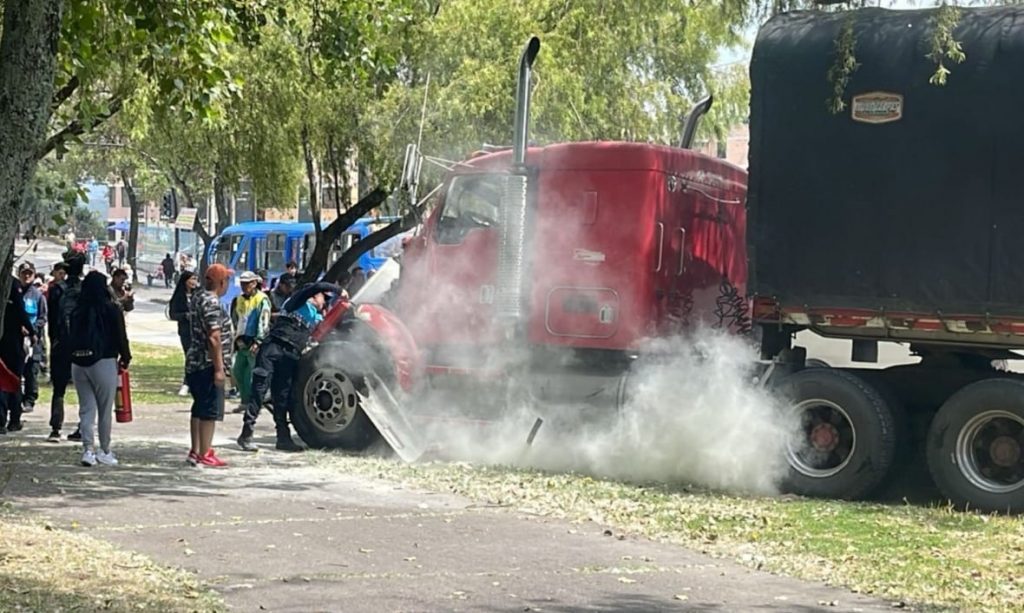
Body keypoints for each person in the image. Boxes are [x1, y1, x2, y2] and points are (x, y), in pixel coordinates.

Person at [237, 282, 338, 453]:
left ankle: (283, 437)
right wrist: (339, 290)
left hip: (291, 354)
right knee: (259, 389)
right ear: (315, 296)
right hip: (273, 347)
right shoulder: (297, 302)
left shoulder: (316, 317)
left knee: (283, 396)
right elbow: (311, 287)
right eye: (323, 297)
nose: (325, 302)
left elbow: (332, 327)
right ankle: (246, 433)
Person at [68, 271, 131, 466]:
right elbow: (121, 336)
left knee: (86, 409)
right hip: (104, 361)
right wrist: (125, 357)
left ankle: (88, 450)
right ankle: (104, 450)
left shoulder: (77, 310)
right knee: (105, 409)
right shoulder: (111, 309)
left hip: (78, 363)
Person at [185, 263, 234, 468]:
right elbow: (214, 337)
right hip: (206, 363)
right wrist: (219, 368)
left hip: (194, 360)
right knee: (208, 410)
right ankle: (205, 451)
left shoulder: (197, 298)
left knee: (199, 407)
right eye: (227, 281)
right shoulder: (211, 302)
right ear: (220, 282)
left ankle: (196, 450)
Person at [47, 253, 86, 443]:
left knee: (59, 388)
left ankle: (56, 428)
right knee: (84, 389)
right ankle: (82, 426)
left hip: (61, 343)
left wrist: (53, 340)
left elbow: (52, 321)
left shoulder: (57, 290)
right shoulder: (85, 290)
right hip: (80, 344)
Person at [229, 271, 271, 414]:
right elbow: (237, 319)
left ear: (254, 283)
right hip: (242, 342)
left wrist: (259, 341)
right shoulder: (239, 299)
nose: (244, 286)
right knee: (239, 371)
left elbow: (264, 322)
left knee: (255, 376)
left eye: (247, 283)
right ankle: (245, 401)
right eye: (242, 283)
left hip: (255, 342)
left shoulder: (262, 299)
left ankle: (255, 404)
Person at [0, 275, 33, 434]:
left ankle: (2, 421)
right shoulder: (11, 283)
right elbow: (21, 312)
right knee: (14, 381)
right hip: (12, 341)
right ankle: (14, 420)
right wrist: (32, 332)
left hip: (7, 339)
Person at [18, 263, 47, 414]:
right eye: (24, 273)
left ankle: (29, 400)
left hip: (33, 339)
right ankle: (16, 399)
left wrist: (32, 330)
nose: (27, 276)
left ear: (34, 275)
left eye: (29, 273)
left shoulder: (38, 296)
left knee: (31, 371)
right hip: (16, 339)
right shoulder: (14, 293)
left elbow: (42, 318)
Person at [169, 271, 198, 396]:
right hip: (186, 331)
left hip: (198, 331)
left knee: (198, 357)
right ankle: (187, 383)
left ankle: (195, 383)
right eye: (192, 279)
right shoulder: (179, 296)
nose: (194, 282)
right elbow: (172, 314)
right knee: (189, 356)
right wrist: (184, 316)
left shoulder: (199, 294)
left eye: (196, 279)